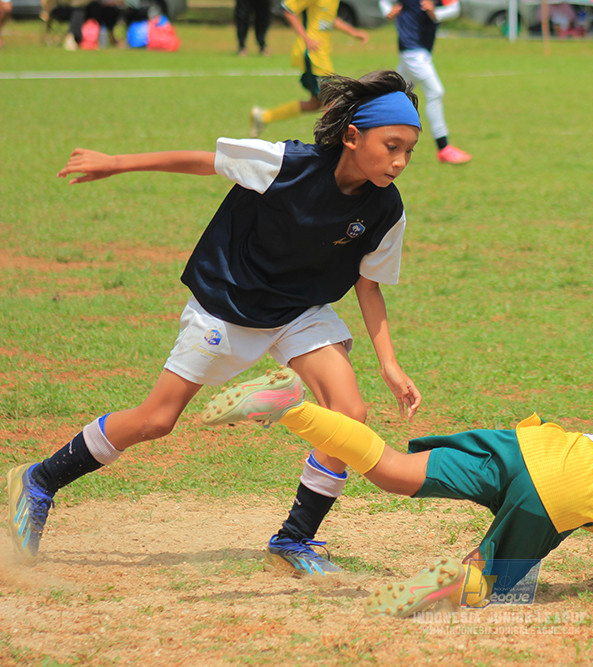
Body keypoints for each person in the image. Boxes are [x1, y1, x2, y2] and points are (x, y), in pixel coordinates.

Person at [7, 71, 424, 579]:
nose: (400, 161)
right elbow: (205, 162)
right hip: (228, 302)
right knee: (156, 420)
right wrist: (117, 163)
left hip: (300, 311)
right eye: (392, 146)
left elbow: (368, 283)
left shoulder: (386, 208)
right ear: (352, 136)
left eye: (409, 151)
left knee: (349, 413)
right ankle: (40, 479)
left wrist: (391, 364)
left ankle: (294, 539)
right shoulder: (285, 163)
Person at [201, 367, 593, 617]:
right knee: (493, 589)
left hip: (530, 446)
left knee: (393, 470)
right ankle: (391, 605)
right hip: (554, 491)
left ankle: (291, 407)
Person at [249, 0, 368, 137]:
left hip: (322, 55)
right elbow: (288, 9)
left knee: (315, 103)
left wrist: (352, 32)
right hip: (313, 55)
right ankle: (329, 147)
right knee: (332, 103)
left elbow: (328, 18)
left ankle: (263, 117)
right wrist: (306, 39)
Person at [380, 0, 471, 164]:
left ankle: (365, 131)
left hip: (420, 51)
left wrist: (436, 13)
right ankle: (443, 148)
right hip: (412, 51)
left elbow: (455, 8)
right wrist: (388, 11)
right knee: (435, 92)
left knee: (394, 96)